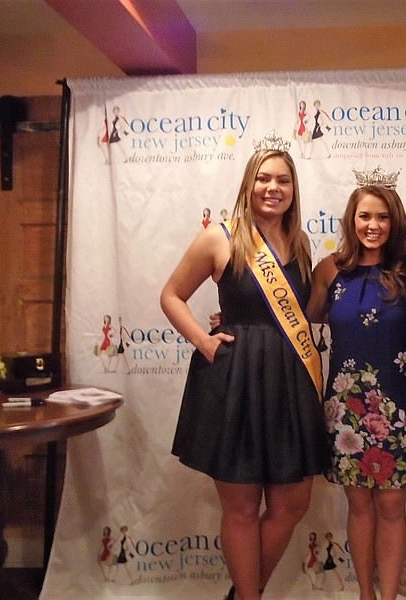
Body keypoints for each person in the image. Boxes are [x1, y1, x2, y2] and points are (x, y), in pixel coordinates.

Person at [160, 131, 329, 600]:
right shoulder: (220, 236)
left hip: (289, 378)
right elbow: (171, 295)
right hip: (235, 379)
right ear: (248, 184)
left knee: (292, 502)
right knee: (240, 504)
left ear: (294, 191)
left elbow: (298, 311)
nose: (272, 188)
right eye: (263, 178)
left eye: (283, 181)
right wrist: (204, 341)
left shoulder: (300, 243)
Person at [307, 167, 406, 600]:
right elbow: (295, 322)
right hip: (346, 407)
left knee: (392, 506)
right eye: (363, 216)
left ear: (394, 222)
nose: (372, 225)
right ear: (350, 220)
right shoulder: (329, 271)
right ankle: (365, 595)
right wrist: (235, 322)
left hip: (399, 405)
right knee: (358, 505)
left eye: (381, 217)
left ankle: (389, 597)